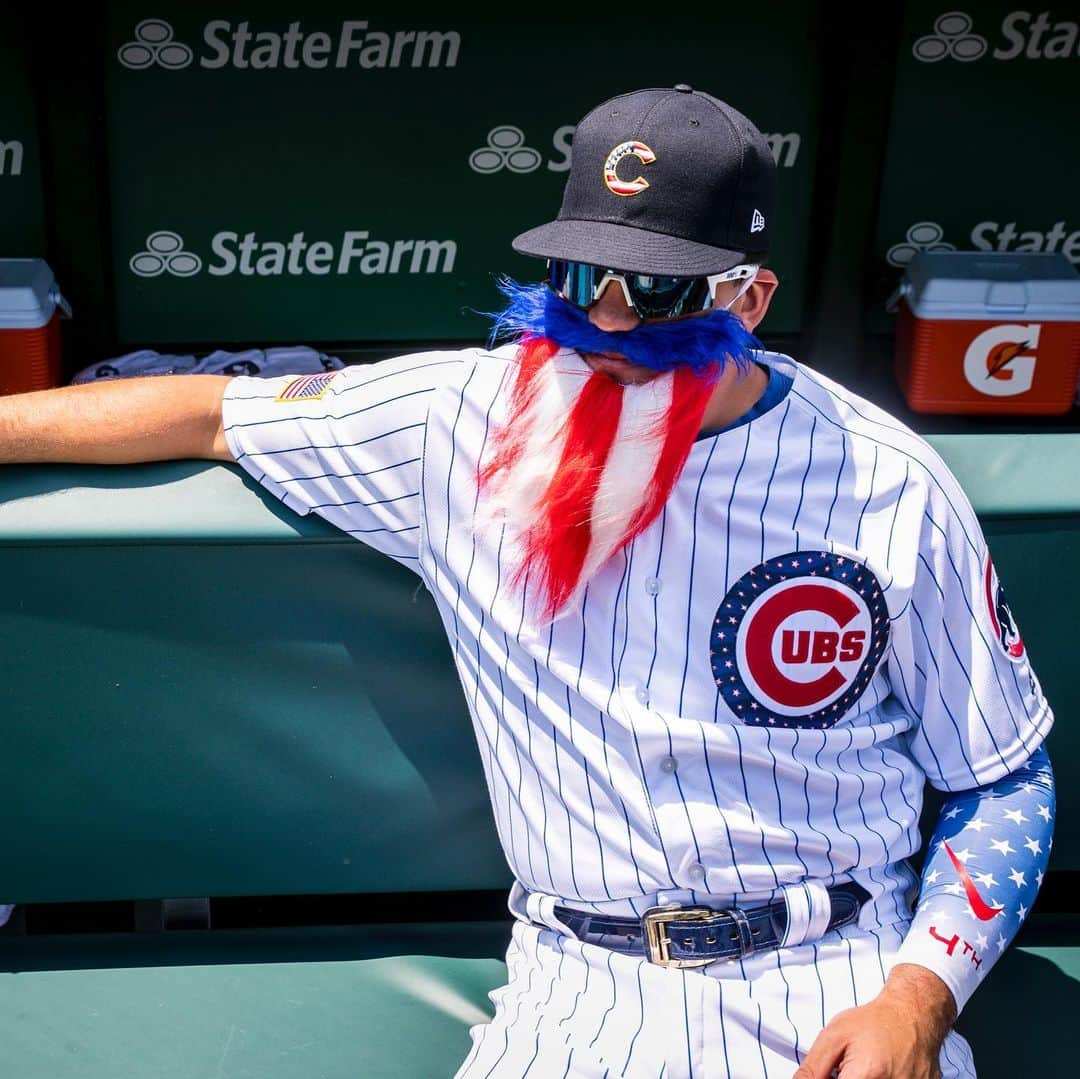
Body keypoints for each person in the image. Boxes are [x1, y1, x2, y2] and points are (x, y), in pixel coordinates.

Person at [0, 86, 1054, 1078]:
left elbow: (1003, 775)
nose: (608, 320)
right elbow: (211, 411)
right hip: (578, 981)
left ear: (752, 294)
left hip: (836, 968)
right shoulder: (456, 416)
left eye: (658, 287)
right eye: (581, 276)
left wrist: (919, 998)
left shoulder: (884, 477)